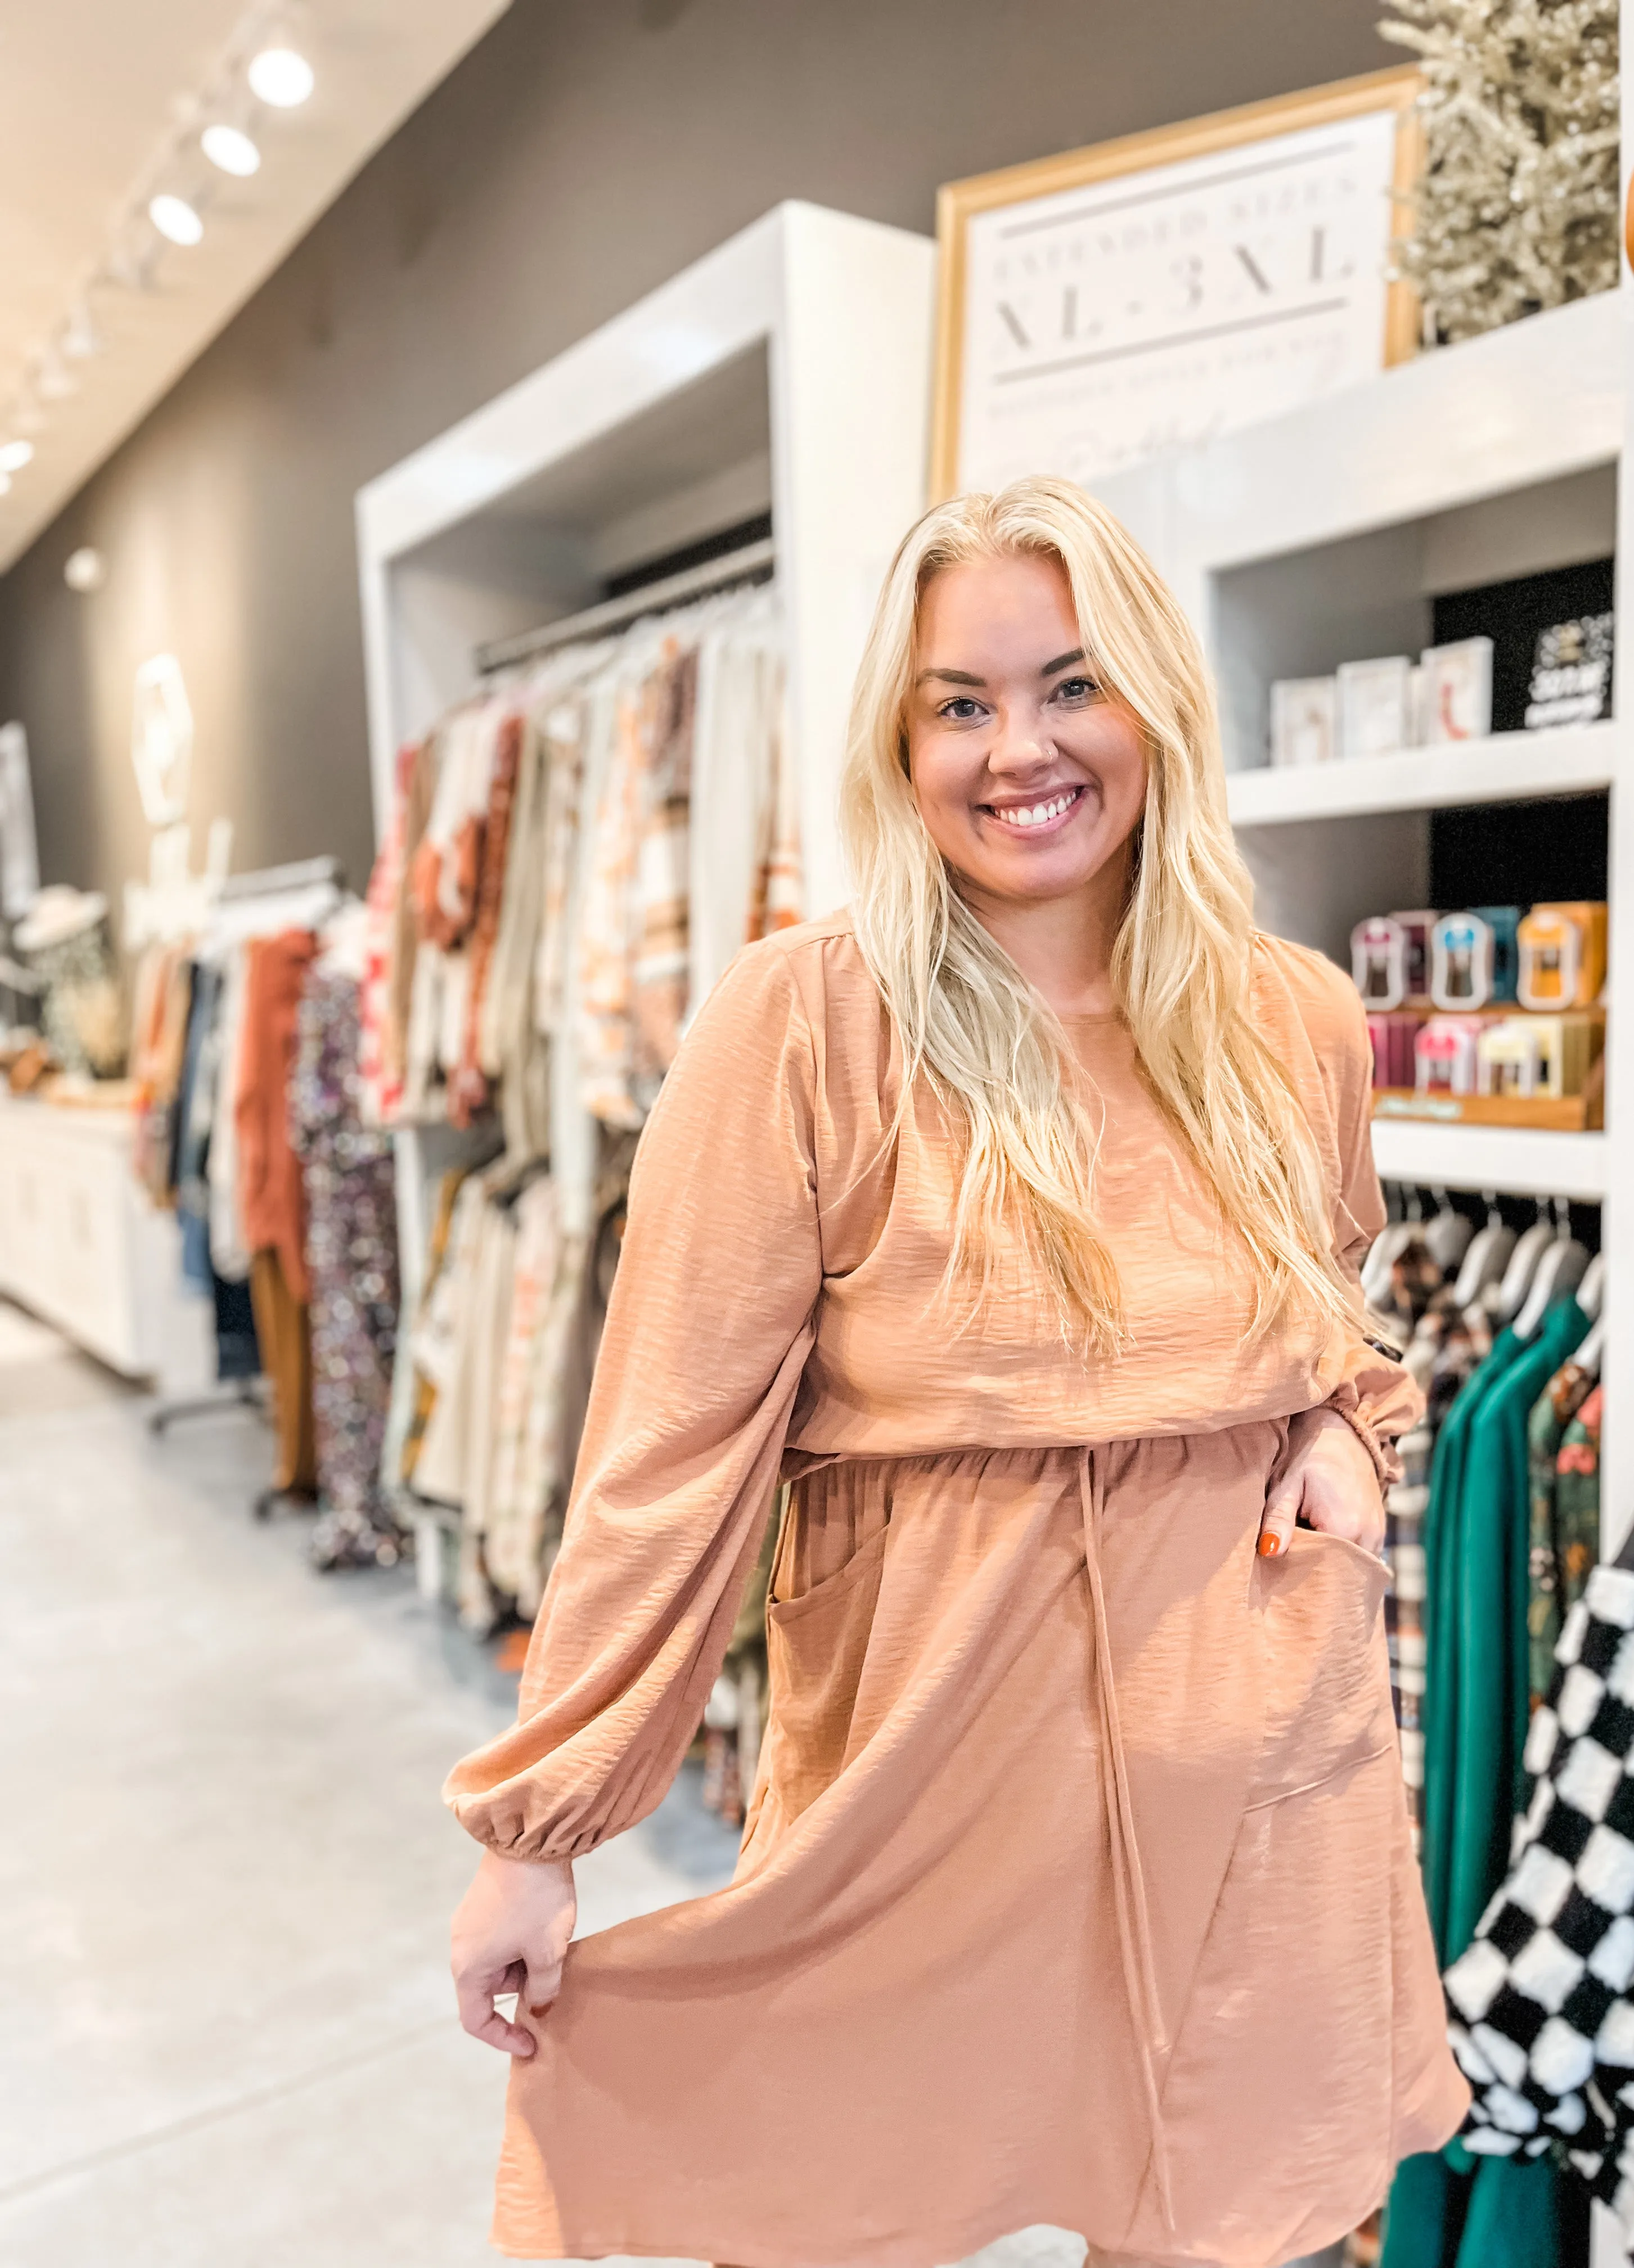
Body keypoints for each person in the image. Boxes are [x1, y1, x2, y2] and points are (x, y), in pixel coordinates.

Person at [445, 476, 1468, 2268]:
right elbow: (670, 1454)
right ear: (899, 742)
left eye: (1074, 686)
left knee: (1250, 2228)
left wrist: (1348, 1435)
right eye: (962, 703)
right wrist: (543, 1830)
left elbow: (1332, 1306)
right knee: (840, 2218)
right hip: (923, 1770)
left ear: (1155, 701)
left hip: (1254, 1749)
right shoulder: (809, 1023)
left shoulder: (1291, 1014)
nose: (1024, 750)